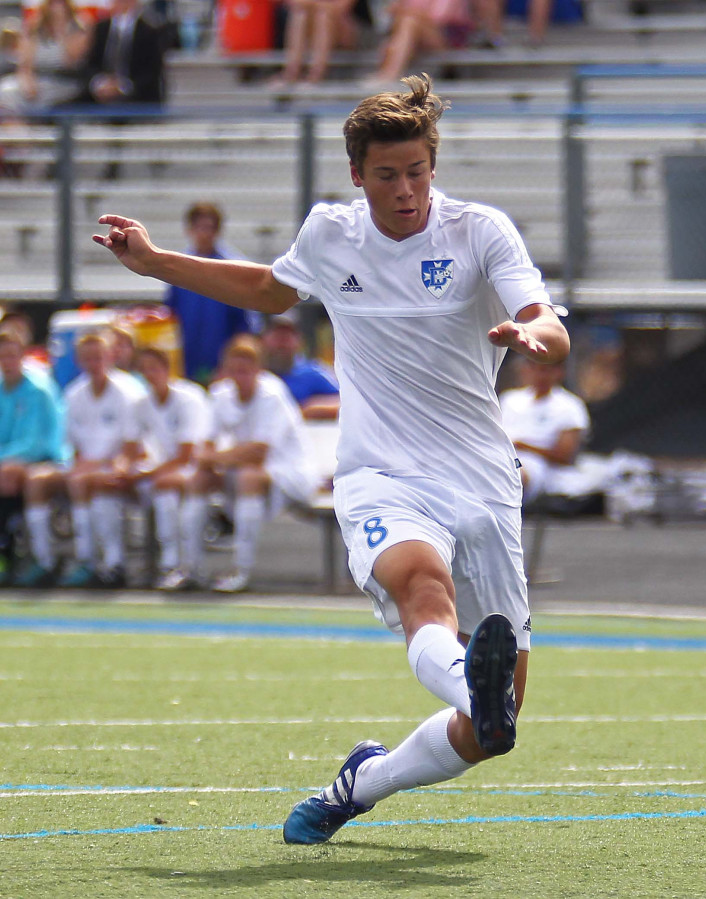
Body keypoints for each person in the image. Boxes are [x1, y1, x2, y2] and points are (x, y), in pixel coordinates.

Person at [93, 73, 570, 844]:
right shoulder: (332, 234)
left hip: (482, 479)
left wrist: (533, 338)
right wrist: (156, 264)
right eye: (387, 174)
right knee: (423, 586)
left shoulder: (481, 232)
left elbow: (545, 321)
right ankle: (470, 684)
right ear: (358, 174)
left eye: (417, 170)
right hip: (381, 475)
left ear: (432, 166)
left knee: (492, 731)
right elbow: (269, 289)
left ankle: (362, 781)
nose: (406, 189)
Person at [171, 335, 315, 593]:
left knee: (248, 476)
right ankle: (191, 568)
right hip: (241, 471)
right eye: (234, 370)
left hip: (289, 472)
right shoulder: (220, 393)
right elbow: (205, 445)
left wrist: (215, 458)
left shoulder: (272, 393)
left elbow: (259, 452)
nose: (240, 376)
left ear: (258, 370)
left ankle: (241, 570)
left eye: (246, 370)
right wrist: (211, 460)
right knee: (197, 479)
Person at [19, 331, 143, 588]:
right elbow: (73, 447)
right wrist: (82, 466)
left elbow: (131, 448)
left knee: (85, 482)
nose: (94, 364)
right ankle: (46, 561)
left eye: (98, 357)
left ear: (110, 356)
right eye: (88, 358)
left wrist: (94, 467)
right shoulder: (74, 394)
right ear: (78, 360)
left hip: (120, 468)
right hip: (83, 469)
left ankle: (102, 562)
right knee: (37, 480)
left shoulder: (127, 391)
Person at [134, 345, 212, 590]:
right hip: (165, 472)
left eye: (154, 368)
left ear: (167, 369)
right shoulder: (142, 404)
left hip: (201, 470)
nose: (149, 374)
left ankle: (186, 565)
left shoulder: (190, 398)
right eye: (144, 370)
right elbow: (136, 447)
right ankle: (171, 565)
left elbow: (188, 455)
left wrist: (151, 473)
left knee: (168, 492)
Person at [164, 202, 261, 385]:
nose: (204, 234)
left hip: (224, 371)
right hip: (186, 364)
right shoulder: (179, 268)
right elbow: (172, 318)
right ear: (189, 230)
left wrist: (230, 366)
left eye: (209, 228)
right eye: (199, 227)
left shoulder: (233, 268)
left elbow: (245, 326)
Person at [0, 328, 66, 583]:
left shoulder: (39, 390)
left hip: (45, 460)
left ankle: (23, 555)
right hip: (7, 463)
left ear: (23, 356)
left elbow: (36, 443)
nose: (6, 363)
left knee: (7, 477)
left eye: (11, 356)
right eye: (2, 357)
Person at [499, 357, 589, 504]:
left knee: (512, 471)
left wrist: (523, 446)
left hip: (535, 467)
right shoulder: (509, 399)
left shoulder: (571, 406)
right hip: (501, 456)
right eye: (534, 368)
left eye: (545, 370)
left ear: (559, 372)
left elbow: (565, 456)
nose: (540, 375)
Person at [0, 0, 89, 115]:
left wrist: (61, 29)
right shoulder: (34, 28)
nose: (56, 8)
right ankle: (18, 127)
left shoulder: (78, 27)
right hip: (37, 77)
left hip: (63, 79)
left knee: (40, 100)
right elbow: (25, 64)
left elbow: (71, 61)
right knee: (6, 90)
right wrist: (28, 83)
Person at [78, 0, 166, 106]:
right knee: (63, 109)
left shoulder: (149, 32)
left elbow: (151, 73)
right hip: (101, 93)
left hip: (136, 96)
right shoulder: (101, 28)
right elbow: (90, 64)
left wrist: (121, 87)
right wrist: (101, 83)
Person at [366, 0, 473, 85]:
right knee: (406, 23)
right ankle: (389, 73)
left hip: (447, 38)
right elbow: (390, 11)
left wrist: (407, 12)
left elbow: (439, 17)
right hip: (412, 32)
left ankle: (388, 75)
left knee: (409, 21)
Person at [261, 313, 339, 419]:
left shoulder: (311, 374)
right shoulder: (254, 374)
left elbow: (346, 402)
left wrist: (311, 409)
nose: (282, 343)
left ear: (299, 341)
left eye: (287, 337)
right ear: (264, 339)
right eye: (277, 336)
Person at [272, 0, 366, 86]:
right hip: (312, 28)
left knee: (323, 15)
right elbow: (294, 4)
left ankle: (315, 75)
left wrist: (314, 5)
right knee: (300, 14)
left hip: (345, 30)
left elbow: (341, 8)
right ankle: (292, 71)